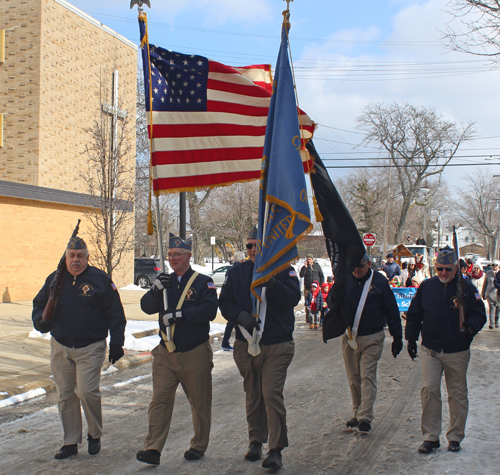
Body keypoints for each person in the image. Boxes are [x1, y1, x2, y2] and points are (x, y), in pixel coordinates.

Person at [32, 237, 126, 460]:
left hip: (90, 346)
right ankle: (70, 441)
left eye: (80, 255)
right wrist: (40, 321)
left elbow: (115, 314)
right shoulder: (55, 279)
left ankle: (94, 433)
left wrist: (116, 343)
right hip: (60, 346)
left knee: (85, 391)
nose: (75, 260)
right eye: (71, 255)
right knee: (65, 395)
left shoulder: (100, 280)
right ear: (66, 257)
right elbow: (39, 305)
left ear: (87, 257)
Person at [219, 228, 301, 470]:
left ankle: (276, 449)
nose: (253, 249)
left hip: (277, 345)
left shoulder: (285, 270)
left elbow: (292, 300)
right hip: (247, 345)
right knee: (253, 394)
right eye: (249, 246)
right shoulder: (236, 273)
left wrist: (273, 284)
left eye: (257, 245)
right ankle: (256, 441)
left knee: (271, 393)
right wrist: (240, 316)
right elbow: (224, 303)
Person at [136, 234, 218, 466]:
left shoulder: (203, 282)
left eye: (177, 255)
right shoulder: (165, 282)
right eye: (170, 254)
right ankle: (152, 448)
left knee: (199, 401)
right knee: (159, 401)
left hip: (194, 351)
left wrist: (180, 315)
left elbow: (209, 310)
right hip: (165, 352)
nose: (172, 258)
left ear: (188, 256)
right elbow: (145, 307)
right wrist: (155, 289)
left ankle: (198, 444)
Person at [405, 246, 486, 454]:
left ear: (456, 269)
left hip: (457, 350)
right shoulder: (427, 286)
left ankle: (455, 436)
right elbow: (414, 314)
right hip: (431, 348)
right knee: (430, 390)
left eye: (448, 269)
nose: (443, 273)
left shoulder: (467, 288)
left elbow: (479, 313)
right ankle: (431, 437)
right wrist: (411, 339)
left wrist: (471, 327)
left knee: (457, 393)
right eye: (440, 268)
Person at [332, 253, 402, 433]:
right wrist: (336, 288)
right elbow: (331, 302)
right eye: (354, 266)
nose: (357, 269)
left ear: (369, 264)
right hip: (350, 337)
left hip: (373, 336)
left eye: (361, 265)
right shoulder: (345, 279)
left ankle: (366, 416)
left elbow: (391, 309)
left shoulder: (379, 281)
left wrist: (397, 336)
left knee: (367, 375)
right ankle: (357, 412)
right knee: (354, 377)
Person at [221, 251, 246, 350]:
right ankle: (228, 342)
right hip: (239, 299)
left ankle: (226, 342)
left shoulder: (230, 270)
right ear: (243, 260)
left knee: (231, 323)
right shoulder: (243, 270)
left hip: (231, 300)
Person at [299, 254, 324, 323]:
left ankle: (317, 318)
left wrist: (321, 285)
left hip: (316, 289)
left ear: (312, 260)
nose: (308, 261)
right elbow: (301, 275)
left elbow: (321, 276)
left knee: (317, 303)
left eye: (310, 259)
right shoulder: (305, 267)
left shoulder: (317, 266)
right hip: (308, 288)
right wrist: (304, 267)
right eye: (307, 259)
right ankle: (308, 319)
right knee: (308, 304)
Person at [483, 260, 500, 329]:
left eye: (496, 265)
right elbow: (485, 284)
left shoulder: (499, 274)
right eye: (493, 265)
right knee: (492, 308)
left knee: (498, 309)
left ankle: (497, 322)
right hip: (490, 293)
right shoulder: (488, 273)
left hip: (498, 293)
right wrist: (483, 293)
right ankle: (492, 323)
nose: (494, 266)